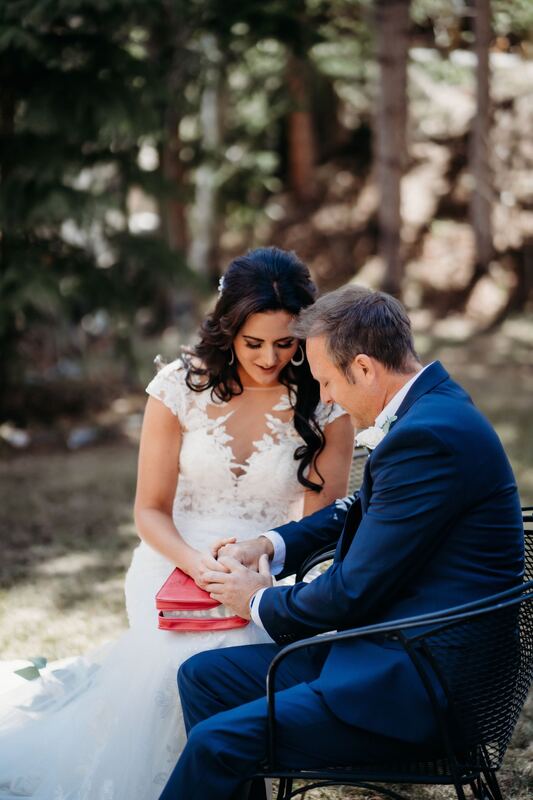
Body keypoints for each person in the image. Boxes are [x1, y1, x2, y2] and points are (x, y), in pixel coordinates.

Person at [0, 248, 354, 800]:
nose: (268, 358)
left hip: (269, 565)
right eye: (252, 342)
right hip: (173, 557)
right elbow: (149, 510)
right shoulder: (177, 387)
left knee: (238, 636)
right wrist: (197, 566)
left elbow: (322, 525)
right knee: (179, 654)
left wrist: (260, 579)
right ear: (227, 328)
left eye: (285, 344)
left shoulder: (327, 404)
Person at [158, 285, 525, 800]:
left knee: (216, 743)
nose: (325, 396)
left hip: (418, 688)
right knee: (205, 676)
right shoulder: (431, 412)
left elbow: (350, 593)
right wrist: (267, 545)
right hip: (391, 652)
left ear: (365, 367)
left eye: (328, 381)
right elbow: (354, 510)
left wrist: (255, 598)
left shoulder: (429, 438)